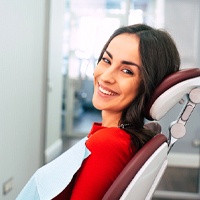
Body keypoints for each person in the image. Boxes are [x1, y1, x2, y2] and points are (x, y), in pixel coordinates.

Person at [17, 23, 180, 200]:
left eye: (127, 71)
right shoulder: (115, 137)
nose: (106, 77)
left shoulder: (108, 144)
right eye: (106, 60)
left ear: (149, 85)